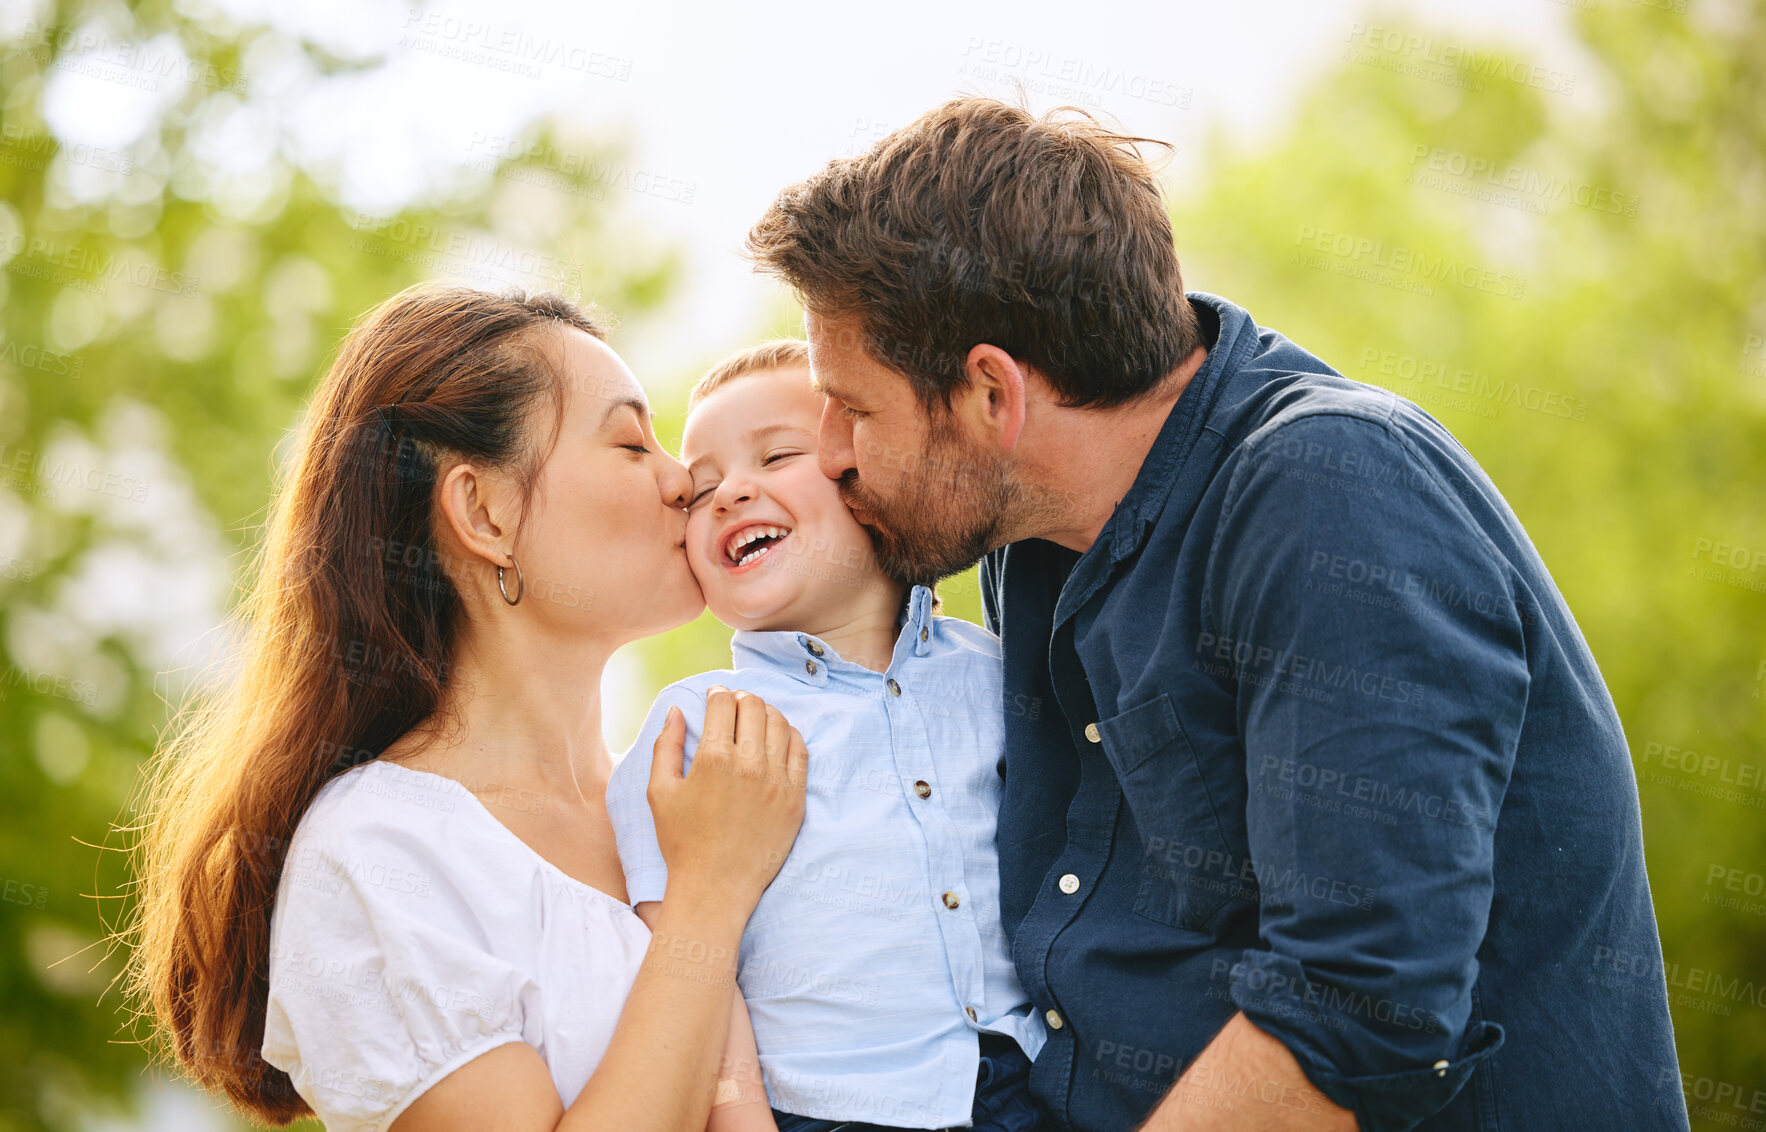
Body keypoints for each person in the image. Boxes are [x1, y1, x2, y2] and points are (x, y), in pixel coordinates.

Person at [745, 97, 1690, 1132]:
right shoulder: (1030, 542)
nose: (830, 448)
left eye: (854, 406)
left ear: (989, 397)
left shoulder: (1328, 495)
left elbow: (1358, 1012)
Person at [125, 286, 808, 1132]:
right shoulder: (379, 852)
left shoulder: (699, 790)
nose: (685, 482)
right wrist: (706, 899)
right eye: (633, 443)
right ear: (484, 513)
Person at [606, 340, 1047, 1132]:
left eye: (777, 455)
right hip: (829, 1110)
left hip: (1036, 1089)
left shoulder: (1000, 675)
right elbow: (686, 965)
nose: (730, 494)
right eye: (700, 491)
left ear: (868, 478)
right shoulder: (700, 724)